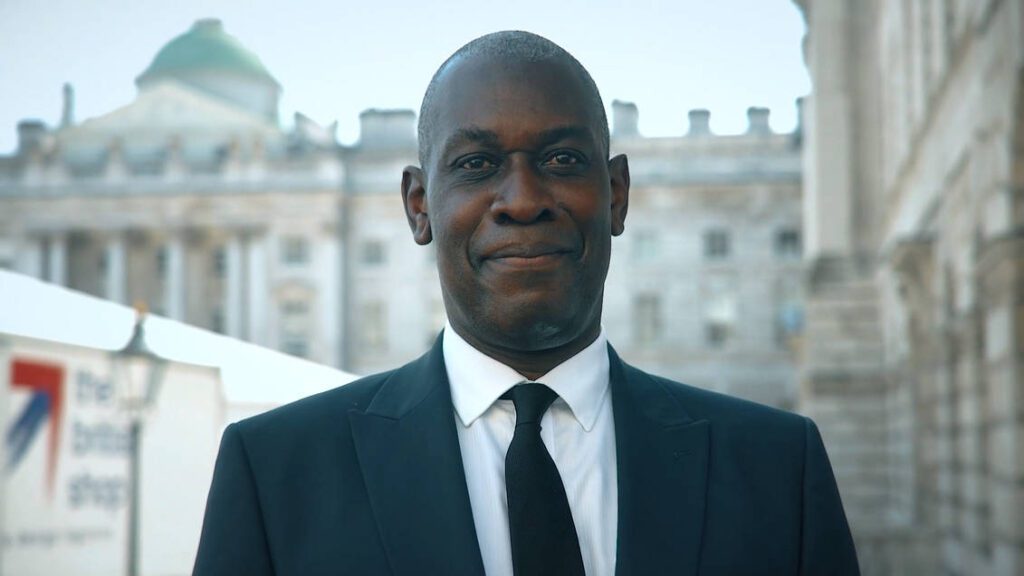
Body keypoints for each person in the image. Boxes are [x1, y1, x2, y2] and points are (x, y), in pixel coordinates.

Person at [193, 31, 860, 576]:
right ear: (418, 206)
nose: (521, 200)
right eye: (477, 165)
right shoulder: (276, 473)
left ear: (617, 194)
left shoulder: (778, 468)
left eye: (564, 160)